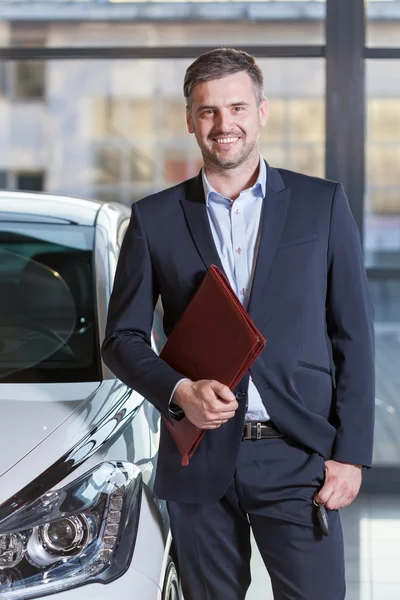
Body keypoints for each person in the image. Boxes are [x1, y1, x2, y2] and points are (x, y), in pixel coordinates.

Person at [102, 47, 375, 600]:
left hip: (298, 458)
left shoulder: (320, 205)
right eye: (208, 111)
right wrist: (179, 391)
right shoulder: (154, 218)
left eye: (237, 107)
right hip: (199, 457)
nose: (224, 125)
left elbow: (354, 337)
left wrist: (350, 454)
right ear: (189, 120)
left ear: (262, 111)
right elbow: (122, 340)